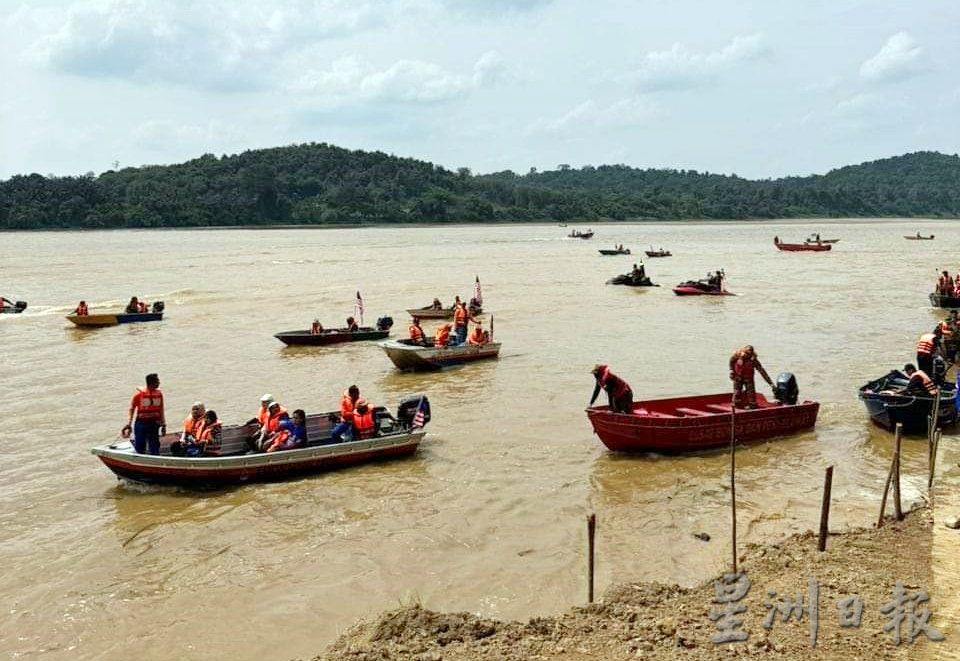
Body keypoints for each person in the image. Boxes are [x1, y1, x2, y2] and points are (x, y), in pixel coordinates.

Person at [122, 373, 166, 455]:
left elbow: (161, 410)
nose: (159, 383)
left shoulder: (159, 394)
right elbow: (132, 409)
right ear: (152, 383)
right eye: (157, 381)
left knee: (154, 445)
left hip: (154, 423)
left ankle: (155, 460)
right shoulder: (138, 395)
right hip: (141, 423)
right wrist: (129, 423)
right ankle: (140, 459)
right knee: (140, 444)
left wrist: (163, 424)